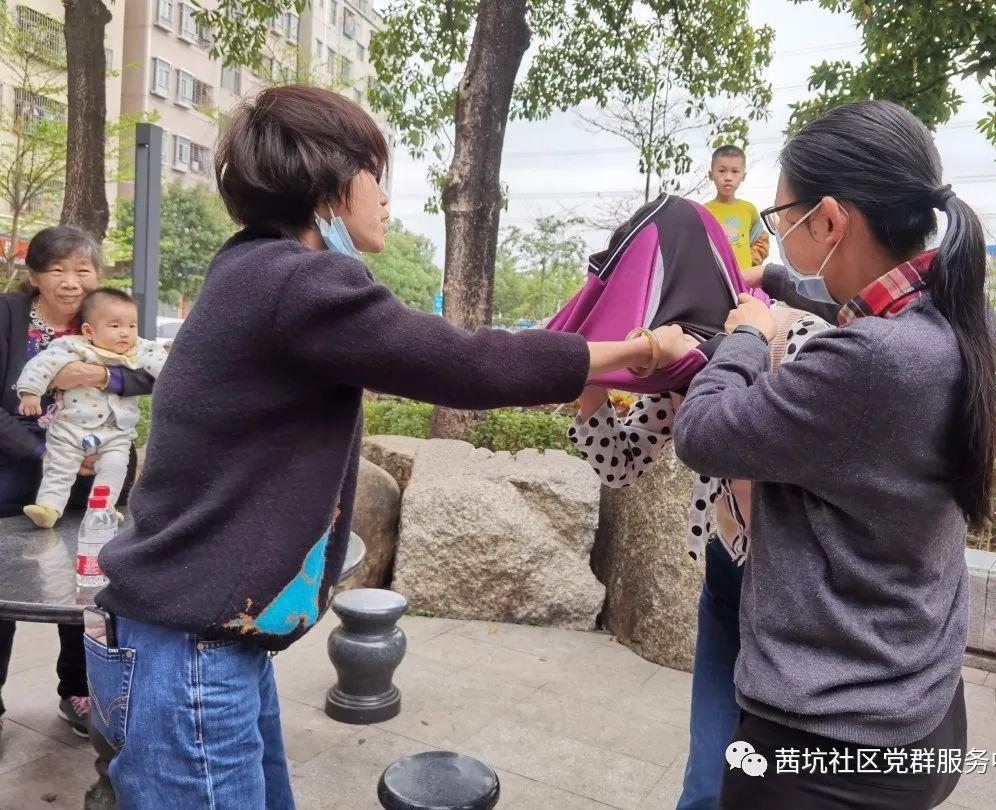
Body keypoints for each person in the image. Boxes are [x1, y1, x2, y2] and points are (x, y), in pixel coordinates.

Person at [85, 84, 692, 810]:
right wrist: (641, 350)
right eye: (374, 174)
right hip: (190, 654)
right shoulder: (295, 281)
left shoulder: (251, 270)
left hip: (192, 637)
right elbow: (467, 363)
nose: (384, 196)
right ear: (327, 184)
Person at [674, 99, 996, 808]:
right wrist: (776, 288)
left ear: (828, 221)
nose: (776, 236)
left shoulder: (873, 362)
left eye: (781, 218)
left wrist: (747, 336)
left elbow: (703, 433)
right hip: (920, 706)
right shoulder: (954, 315)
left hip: (826, 747)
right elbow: (854, 310)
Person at [571, 307, 826, 809]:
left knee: (786, 776)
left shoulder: (804, 343)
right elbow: (620, 464)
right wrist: (594, 382)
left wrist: (718, 378)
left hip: (800, 590)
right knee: (708, 781)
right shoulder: (684, 359)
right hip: (729, 572)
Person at [0, 226, 153, 743]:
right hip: (15, 471)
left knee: (87, 583)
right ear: (34, 276)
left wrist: (101, 377)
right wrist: (47, 453)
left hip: (98, 471)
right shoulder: (8, 316)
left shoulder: (107, 312)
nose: (71, 281)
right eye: (57, 269)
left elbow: (147, 370)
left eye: (82, 269)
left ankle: (80, 689)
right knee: (2, 588)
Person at [18, 288, 168, 528]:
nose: (125, 333)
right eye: (115, 325)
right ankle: (49, 507)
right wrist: (30, 392)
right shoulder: (73, 346)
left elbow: (164, 365)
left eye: (131, 325)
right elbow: (41, 365)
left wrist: (174, 380)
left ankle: (103, 509)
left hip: (115, 431)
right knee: (60, 466)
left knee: (115, 467)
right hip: (70, 427)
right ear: (89, 331)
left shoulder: (139, 349)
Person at [704, 145, 770, 273]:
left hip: (744, 279)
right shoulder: (703, 212)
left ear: (743, 175)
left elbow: (761, 239)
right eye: (721, 171)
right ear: (711, 174)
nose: (728, 177)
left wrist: (749, 260)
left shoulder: (749, 209)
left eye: (735, 171)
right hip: (714, 278)